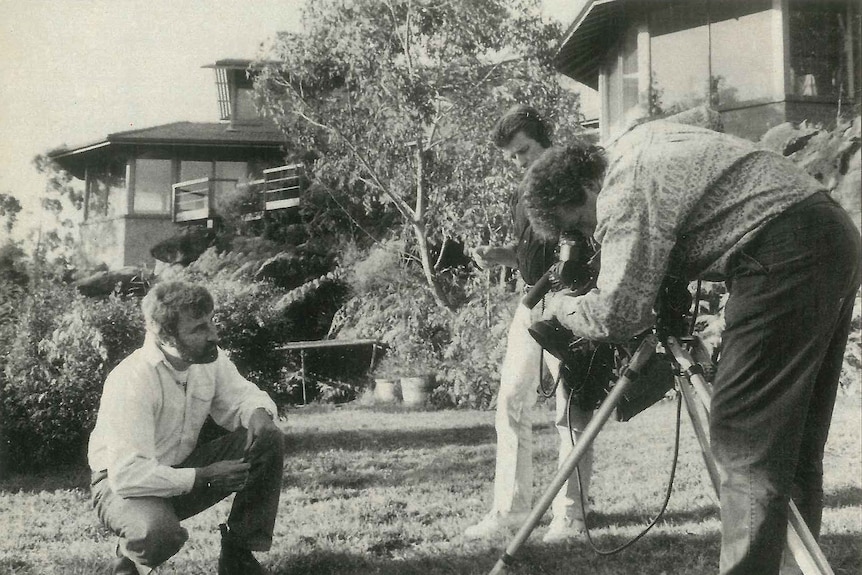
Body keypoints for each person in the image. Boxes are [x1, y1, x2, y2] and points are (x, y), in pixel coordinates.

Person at [521, 118, 861, 574]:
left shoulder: (624, 188)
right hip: (830, 231)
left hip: (781, 250)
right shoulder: (643, 140)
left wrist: (562, 307)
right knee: (793, 446)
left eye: (582, 222)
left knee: (744, 444)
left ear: (586, 186)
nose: (591, 235)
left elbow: (618, 315)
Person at [88, 281, 284, 575]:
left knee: (267, 437)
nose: (213, 335)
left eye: (211, 323)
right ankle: (128, 558)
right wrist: (203, 477)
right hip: (123, 487)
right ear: (166, 336)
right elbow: (127, 476)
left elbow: (241, 396)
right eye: (198, 329)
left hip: (181, 471)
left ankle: (238, 555)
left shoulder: (207, 359)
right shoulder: (131, 379)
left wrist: (257, 412)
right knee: (159, 534)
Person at [465, 104, 595, 543]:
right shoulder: (527, 188)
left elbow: (587, 241)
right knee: (510, 402)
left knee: (570, 410)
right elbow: (537, 250)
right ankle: (510, 510)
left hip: (573, 303)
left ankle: (570, 515)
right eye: (512, 157)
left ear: (545, 138)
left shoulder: (577, 179)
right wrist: (504, 255)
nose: (519, 162)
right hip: (532, 302)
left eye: (523, 151)